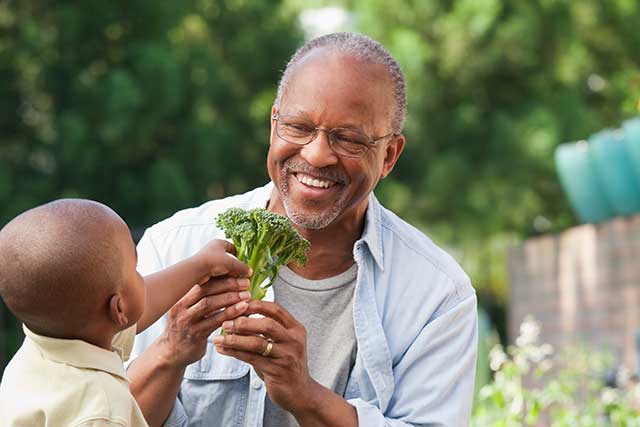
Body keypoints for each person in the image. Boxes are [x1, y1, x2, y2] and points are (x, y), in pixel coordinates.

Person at [129, 32, 478, 427]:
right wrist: (172, 349)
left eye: (347, 139)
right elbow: (97, 414)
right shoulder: (174, 246)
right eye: (298, 127)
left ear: (389, 156)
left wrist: (304, 394)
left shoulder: (437, 294)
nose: (316, 154)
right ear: (273, 122)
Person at [0, 199, 251, 427]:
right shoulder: (102, 410)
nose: (142, 276)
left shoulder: (49, 344)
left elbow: (142, 303)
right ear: (118, 309)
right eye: (135, 268)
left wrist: (200, 265)